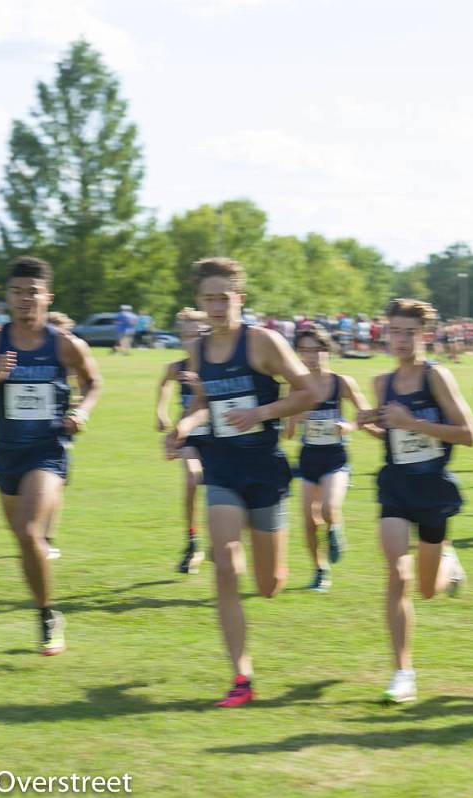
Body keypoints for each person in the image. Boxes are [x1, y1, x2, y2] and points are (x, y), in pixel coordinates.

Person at [165, 257, 317, 708]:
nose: (215, 306)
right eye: (207, 298)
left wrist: (260, 414)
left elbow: (310, 392)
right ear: (200, 301)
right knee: (227, 567)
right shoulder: (200, 350)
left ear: (239, 299)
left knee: (269, 584)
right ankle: (241, 677)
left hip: (265, 468)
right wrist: (185, 426)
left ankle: (275, 563)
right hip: (223, 468)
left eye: (223, 297)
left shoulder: (263, 342)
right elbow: (202, 402)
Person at [0, 256, 102, 656]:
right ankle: (45, 605)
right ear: (8, 296)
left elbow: (93, 384)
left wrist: (80, 411)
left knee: (28, 531)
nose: (25, 300)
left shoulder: (65, 344)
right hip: (7, 456)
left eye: (33, 293)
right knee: (24, 541)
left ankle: (46, 616)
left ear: (47, 297)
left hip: (48, 453)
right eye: (17, 292)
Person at [355, 298, 473, 703]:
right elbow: (393, 434)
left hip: (432, 489)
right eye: (395, 332)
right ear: (385, 332)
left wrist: (413, 423)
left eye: (410, 333)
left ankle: (447, 560)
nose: (401, 340)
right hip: (395, 486)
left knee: (427, 590)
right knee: (397, 573)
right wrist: (369, 422)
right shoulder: (382, 383)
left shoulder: (436, 377)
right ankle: (403, 672)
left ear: (425, 335)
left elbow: (469, 433)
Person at [285, 324, 372, 592]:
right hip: (309, 458)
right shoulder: (297, 387)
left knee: (327, 509)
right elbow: (288, 433)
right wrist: (294, 417)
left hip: (335, 458)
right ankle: (320, 570)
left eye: (316, 350)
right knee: (309, 523)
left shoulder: (341, 383)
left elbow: (366, 413)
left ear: (327, 350)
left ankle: (336, 530)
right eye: (304, 351)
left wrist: (350, 427)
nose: (310, 357)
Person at [155, 308, 211, 574]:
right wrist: (161, 411)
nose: (192, 342)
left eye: (197, 335)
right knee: (192, 479)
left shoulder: (216, 366)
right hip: (190, 437)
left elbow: (209, 403)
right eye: (186, 336)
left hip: (219, 437)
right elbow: (164, 382)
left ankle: (219, 539)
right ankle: (192, 542)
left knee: (220, 491)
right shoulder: (178, 368)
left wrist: (201, 389)